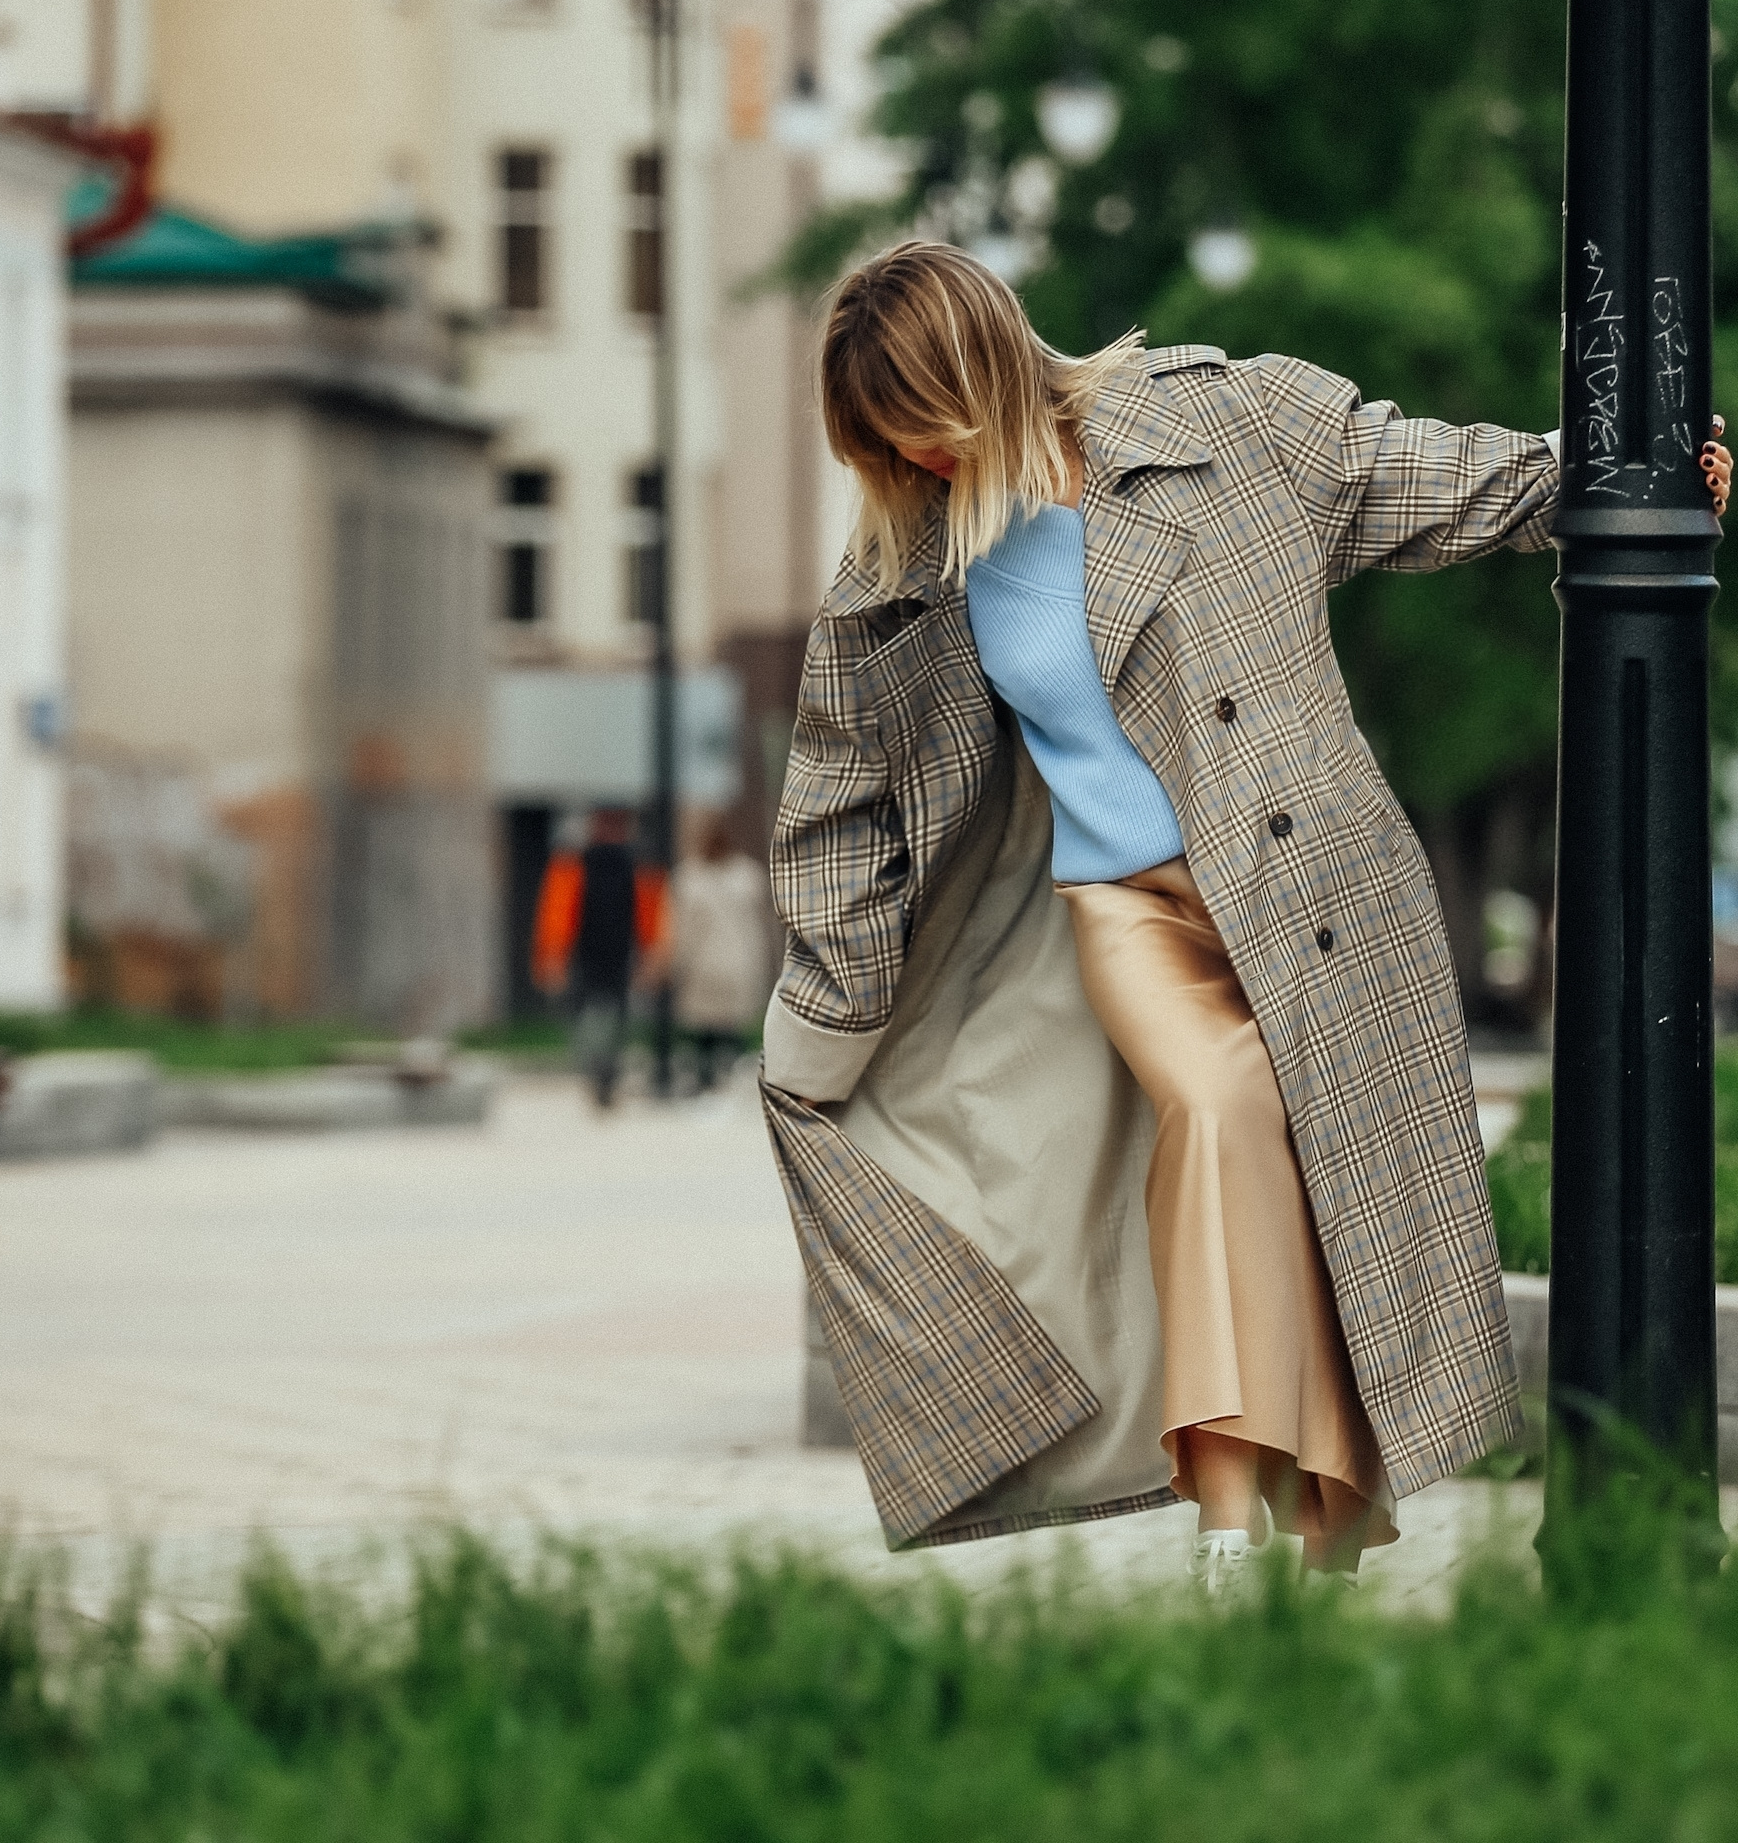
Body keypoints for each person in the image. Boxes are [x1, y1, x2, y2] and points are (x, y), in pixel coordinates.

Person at [759, 240, 1732, 1591]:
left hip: (1309, 893)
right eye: (884, 446)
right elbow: (836, 793)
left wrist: (1623, 471)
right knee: (1220, 1107)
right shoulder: (908, 578)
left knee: (1287, 1154)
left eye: (923, 424)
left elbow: (1429, 473)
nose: (914, 462)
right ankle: (1228, 1517)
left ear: (981, 369)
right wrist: (824, 1006)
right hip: (1123, 909)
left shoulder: (1225, 421)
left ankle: (1307, 1510)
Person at [531, 807, 667, 1108]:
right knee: (586, 1017)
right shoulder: (574, 862)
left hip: (621, 955)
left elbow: (650, 914)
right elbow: (556, 914)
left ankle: (608, 1074)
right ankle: (596, 1071)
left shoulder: (637, 863)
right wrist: (553, 958)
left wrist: (652, 956)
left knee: (616, 1018)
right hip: (584, 956)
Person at [670, 815, 770, 1094]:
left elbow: (683, 929)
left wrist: (677, 962)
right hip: (736, 960)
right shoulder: (748, 876)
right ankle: (726, 1078)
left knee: (707, 1025)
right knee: (728, 1023)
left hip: (704, 962)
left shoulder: (689, 878)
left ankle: (709, 1079)